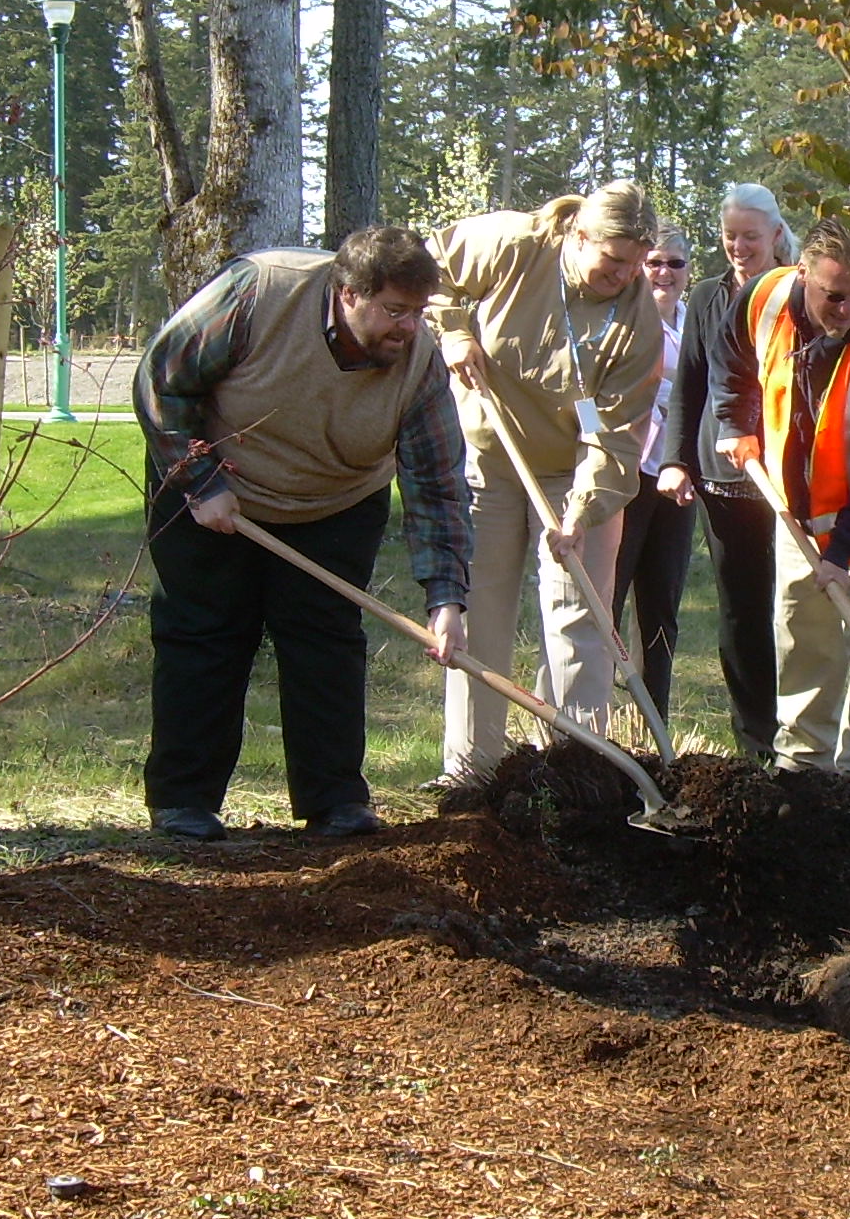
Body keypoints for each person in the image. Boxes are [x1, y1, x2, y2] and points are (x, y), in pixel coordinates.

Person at [136, 227, 471, 841]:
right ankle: (184, 800)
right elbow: (163, 377)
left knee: (327, 642)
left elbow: (438, 482)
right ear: (347, 292)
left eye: (418, 312)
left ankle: (335, 800)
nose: (408, 327)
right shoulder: (262, 291)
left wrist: (446, 598)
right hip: (221, 488)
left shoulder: (420, 361)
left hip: (336, 499)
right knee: (205, 635)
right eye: (394, 310)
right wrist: (198, 480)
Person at [427, 182, 663, 777]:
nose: (626, 275)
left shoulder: (639, 321)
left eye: (637, 263)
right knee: (483, 613)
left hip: (576, 472)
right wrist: (454, 330)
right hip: (492, 458)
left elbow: (614, 439)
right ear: (577, 236)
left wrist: (580, 513)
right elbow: (429, 270)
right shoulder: (513, 243)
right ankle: (471, 772)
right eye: (613, 260)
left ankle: (576, 772)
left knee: (578, 619)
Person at [714, 218, 850, 793]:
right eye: (833, 296)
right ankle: (804, 768)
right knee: (801, 630)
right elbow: (732, 359)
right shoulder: (763, 297)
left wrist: (842, 552)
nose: (846, 308)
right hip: (796, 510)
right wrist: (734, 423)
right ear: (802, 274)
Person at [658, 183, 798, 758]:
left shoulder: (798, 291)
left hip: (788, 476)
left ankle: (806, 732)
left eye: (750, 236)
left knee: (792, 607)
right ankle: (756, 741)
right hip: (725, 476)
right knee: (741, 607)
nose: (738, 246)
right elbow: (689, 383)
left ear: (774, 235)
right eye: (729, 235)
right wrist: (676, 460)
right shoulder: (710, 298)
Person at [611, 227, 696, 720]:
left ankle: (652, 717)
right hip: (627, 472)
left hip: (677, 477)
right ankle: (595, 711)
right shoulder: (623, 321)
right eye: (655, 262)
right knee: (612, 596)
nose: (664, 273)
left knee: (662, 604)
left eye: (675, 264)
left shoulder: (694, 325)